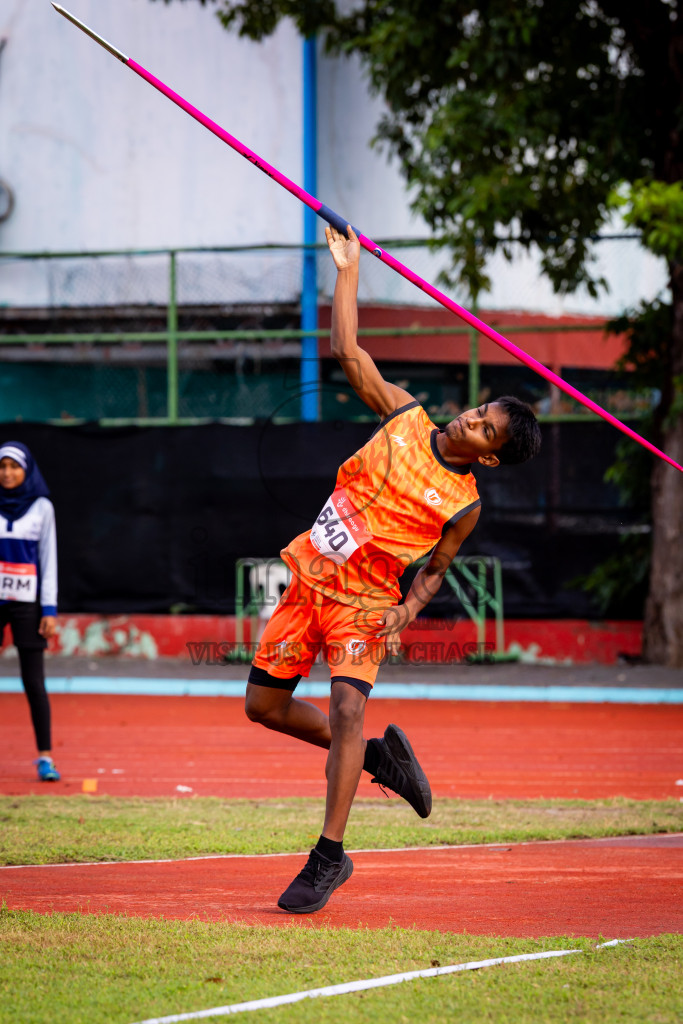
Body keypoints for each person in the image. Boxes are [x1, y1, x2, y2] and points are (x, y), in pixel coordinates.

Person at [245, 225, 542, 914]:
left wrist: (405, 614)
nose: (469, 422)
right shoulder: (405, 414)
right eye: (477, 412)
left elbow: (434, 572)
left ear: (490, 456)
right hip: (308, 578)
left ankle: (328, 856)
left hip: (365, 602)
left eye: (484, 430)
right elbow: (347, 351)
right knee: (262, 707)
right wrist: (345, 269)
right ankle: (382, 761)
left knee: (347, 709)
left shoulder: (463, 504)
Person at [0, 442, 60, 781]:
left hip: (28, 604)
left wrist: (49, 609)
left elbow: (48, 560)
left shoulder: (42, 508)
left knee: (33, 682)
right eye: (2, 466)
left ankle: (45, 758)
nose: (7, 473)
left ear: (26, 470)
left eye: (14, 466)